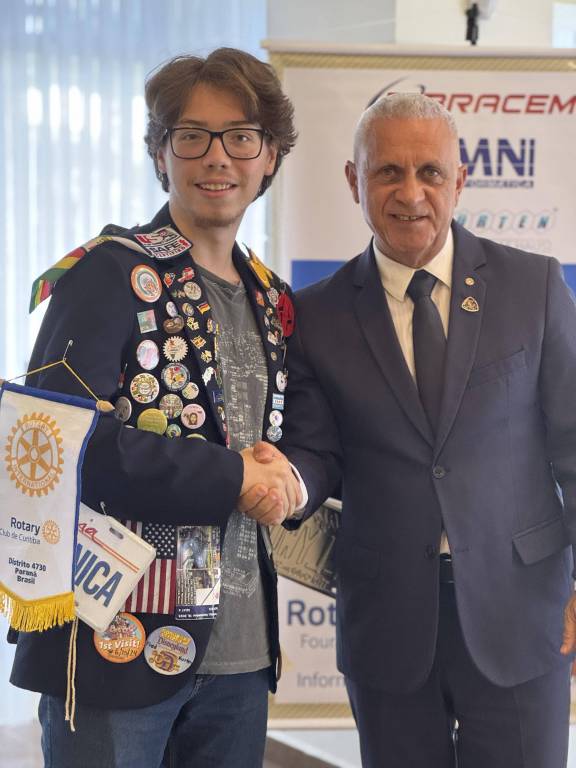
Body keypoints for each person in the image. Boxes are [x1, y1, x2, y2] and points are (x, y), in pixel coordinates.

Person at [241, 92, 576, 767]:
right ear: (354, 180)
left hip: (520, 612)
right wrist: (290, 481)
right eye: (388, 172)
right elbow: (319, 451)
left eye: (430, 172)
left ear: (460, 180)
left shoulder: (532, 287)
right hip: (388, 620)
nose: (410, 193)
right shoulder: (317, 313)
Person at [10, 48, 301, 768]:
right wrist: (232, 476)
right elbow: (53, 442)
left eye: (241, 136)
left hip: (239, 653)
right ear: (159, 153)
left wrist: (284, 477)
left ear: (270, 156)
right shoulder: (109, 272)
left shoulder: (272, 298)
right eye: (192, 136)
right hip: (115, 642)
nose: (217, 157)